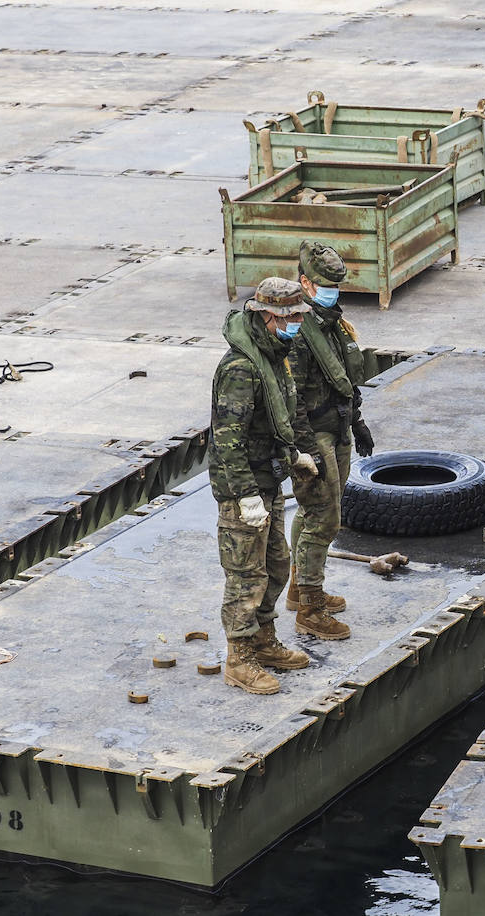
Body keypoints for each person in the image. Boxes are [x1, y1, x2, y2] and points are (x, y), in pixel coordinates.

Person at [209, 277, 315, 694]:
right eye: (289, 319)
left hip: (268, 479)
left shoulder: (273, 355)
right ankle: (240, 658)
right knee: (245, 576)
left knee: (274, 566)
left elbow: (276, 422)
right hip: (245, 489)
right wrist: (244, 495)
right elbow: (227, 439)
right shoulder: (240, 367)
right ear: (268, 317)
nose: (296, 326)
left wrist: (294, 457)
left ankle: (264, 641)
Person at [285, 242, 371, 640]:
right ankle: (310, 607)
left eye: (337, 284)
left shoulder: (331, 323)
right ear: (305, 283)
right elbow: (294, 400)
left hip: (336, 428)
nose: (333, 290)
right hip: (315, 434)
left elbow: (344, 383)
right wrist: (306, 452)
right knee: (325, 517)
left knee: (313, 512)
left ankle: (298, 586)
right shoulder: (300, 332)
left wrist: (357, 422)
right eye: (324, 284)